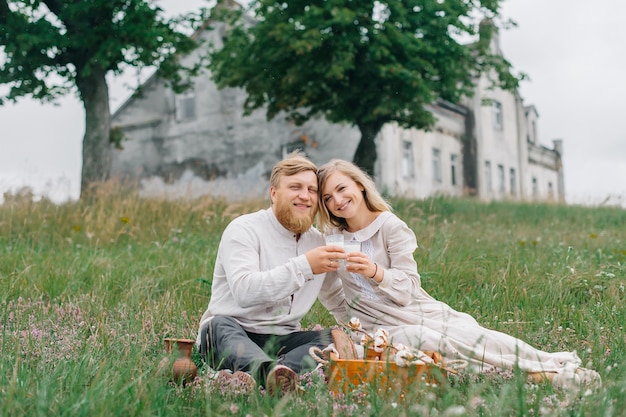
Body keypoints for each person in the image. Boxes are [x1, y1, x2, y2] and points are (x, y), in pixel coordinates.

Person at [316, 159, 601, 388]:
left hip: (414, 309)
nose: (337, 201)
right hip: (376, 327)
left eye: (342, 189)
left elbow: (408, 289)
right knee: (427, 342)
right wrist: (354, 325)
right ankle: (543, 380)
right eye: (328, 198)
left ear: (360, 185)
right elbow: (330, 291)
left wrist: (375, 272)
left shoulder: (391, 227)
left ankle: (549, 366)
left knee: (472, 335)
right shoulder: (332, 238)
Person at [196, 152, 347, 396]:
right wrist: (305, 266)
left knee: (333, 338)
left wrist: (373, 333)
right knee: (216, 327)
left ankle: (278, 373)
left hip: (283, 339)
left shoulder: (318, 242)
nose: (304, 196)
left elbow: (338, 300)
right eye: (295, 187)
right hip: (235, 331)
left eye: (312, 189)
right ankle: (273, 373)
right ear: (274, 193)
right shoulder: (243, 229)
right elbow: (245, 292)